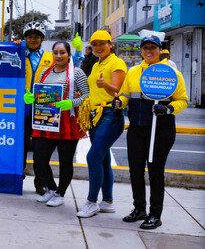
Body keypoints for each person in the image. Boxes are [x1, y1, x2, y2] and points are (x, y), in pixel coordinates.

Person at [113, 35, 188, 229]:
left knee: (155, 173)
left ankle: (155, 215)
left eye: (152, 47)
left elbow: (182, 100)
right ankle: (139, 209)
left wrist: (169, 108)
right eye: (145, 47)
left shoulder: (171, 73)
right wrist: (120, 102)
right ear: (141, 50)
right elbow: (125, 94)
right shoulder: (133, 72)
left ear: (160, 50)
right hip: (137, 129)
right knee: (135, 172)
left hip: (160, 130)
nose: (148, 51)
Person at [25, 41, 89, 207]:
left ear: (68, 55)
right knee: (39, 159)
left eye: (62, 53)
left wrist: (73, 102)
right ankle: (52, 189)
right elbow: (38, 93)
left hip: (67, 123)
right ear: (52, 54)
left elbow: (88, 96)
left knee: (65, 161)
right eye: (56, 53)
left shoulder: (77, 73)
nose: (59, 56)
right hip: (45, 121)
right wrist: (31, 98)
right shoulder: (45, 72)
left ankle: (60, 193)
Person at [76, 30, 127, 218]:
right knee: (103, 159)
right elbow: (94, 89)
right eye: (94, 44)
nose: (98, 47)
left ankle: (91, 202)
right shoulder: (98, 63)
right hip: (95, 114)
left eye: (102, 44)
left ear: (110, 44)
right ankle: (107, 201)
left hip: (110, 115)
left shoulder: (117, 63)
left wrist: (104, 85)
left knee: (93, 157)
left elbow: (117, 90)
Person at [21, 21, 53, 195]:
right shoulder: (18, 54)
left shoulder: (50, 56)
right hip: (22, 107)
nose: (33, 40)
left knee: (41, 149)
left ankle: (40, 183)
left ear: (42, 39)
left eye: (36, 37)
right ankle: (18, 177)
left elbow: (67, 70)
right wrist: (15, 45)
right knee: (22, 145)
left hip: (44, 108)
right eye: (29, 36)